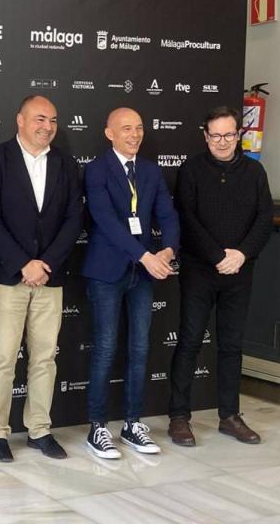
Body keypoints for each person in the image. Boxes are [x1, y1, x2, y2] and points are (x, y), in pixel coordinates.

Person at [0, 95, 84, 462]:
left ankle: (39, 430)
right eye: (40, 118)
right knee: (3, 357)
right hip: (8, 277)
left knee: (44, 358)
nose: (47, 126)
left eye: (53, 120)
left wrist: (46, 263)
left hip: (49, 279)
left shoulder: (66, 164)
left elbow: (74, 220)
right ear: (19, 120)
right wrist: (24, 263)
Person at [167, 105, 273, 446]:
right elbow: (187, 217)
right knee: (189, 342)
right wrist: (217, 256)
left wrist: (240, 255)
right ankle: (179, 417)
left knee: (231, 346)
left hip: (240, 272)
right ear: (206, 136)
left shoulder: (256, 173)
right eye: (216, 135)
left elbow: (264, 218)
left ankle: (229, 415)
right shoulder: (191, 170)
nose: (223, 141)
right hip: (200, 271)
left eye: (229, 134)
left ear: (239, 135)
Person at [82, 107, 180, 460]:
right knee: (106, 348)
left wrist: (167, 249)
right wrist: (145, 256)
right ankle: (97, 427)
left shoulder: (152, 171)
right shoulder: (95, 170)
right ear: (109, 133)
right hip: (108, 270)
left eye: (139, 128)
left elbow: (168, 214)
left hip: (144, 273)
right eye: (126, 129)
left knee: (140, 348)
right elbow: (105, 220)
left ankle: (132, 423)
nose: (135, 134)